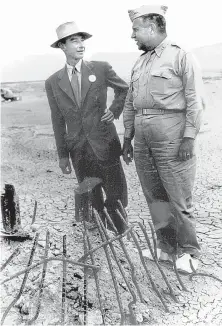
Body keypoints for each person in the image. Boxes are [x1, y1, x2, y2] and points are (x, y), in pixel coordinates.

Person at [122, 5, 204, 273]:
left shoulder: (181, 56)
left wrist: (189, 138)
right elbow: (130, 102)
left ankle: (190, 252)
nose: (132, 35)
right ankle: (166, 247)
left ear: (152, 27)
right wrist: (128, 137)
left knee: (178, 196)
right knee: (155, 196)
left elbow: (194, 101)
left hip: (173, 135)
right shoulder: (140, 62)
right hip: (143, 139)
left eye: (135, 29)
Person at [45, 21, 129, 233]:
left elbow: (124, 90)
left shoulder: (100, 68)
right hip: (79, 151)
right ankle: (98, 240)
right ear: (62, 46)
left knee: (116, 196)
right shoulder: (53, 81)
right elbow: (57, 120)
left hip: (105, 145)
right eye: (74, 41)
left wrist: (115, 109)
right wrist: (63, 155)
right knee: (91, 198)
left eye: (82, 41)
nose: (81, 45)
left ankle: (119, 238)